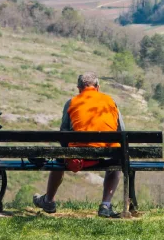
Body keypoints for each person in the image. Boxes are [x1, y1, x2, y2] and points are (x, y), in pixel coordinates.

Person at [33, 72, 124, 218]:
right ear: (98, 87)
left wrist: (70, 150)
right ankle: (105, 205)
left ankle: (48, 201)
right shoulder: (110, 102)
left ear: (79, 88)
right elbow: (121, 132)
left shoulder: (71, 102)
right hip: (105, 154)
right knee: (117, 161)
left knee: (59, 159)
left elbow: (63, 133)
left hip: (76, 155)